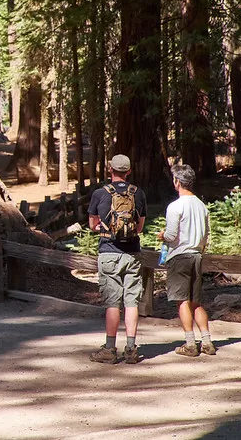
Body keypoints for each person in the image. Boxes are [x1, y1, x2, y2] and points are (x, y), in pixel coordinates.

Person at [87, 154, 147, 364]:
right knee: (131, 302)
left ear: (109, 169)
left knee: (113, 303)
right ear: (129, 171)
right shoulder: (138, 193)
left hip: (109, 252)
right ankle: (131, 348)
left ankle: (110, 348)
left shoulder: (99, 194)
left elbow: (92, 225)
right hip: (132, 254)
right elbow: (139, 228)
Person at [157, 164, 214, 357]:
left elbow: (172, 235)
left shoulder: (175, 206)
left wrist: (162, 235)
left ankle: (190, 343)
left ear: (177, 182)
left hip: (180, 256)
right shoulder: (201, 205)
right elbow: (206, 234)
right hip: (197, 255)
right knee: (196, 301)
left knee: (182, 301)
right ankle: (207, 341)